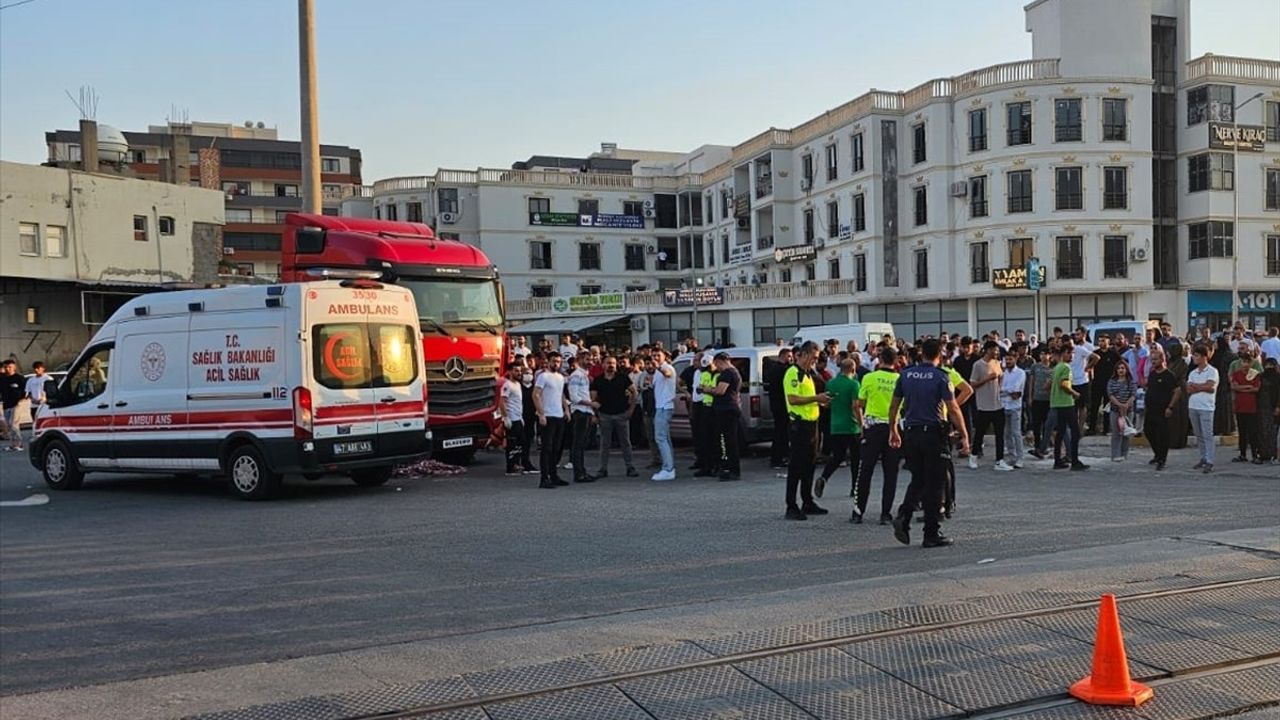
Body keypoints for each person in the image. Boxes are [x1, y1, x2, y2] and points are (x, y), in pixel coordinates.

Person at [890, 339, 969, 549]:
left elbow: (895, 405)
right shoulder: (941, 377)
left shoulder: (905, 375)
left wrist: (893, 430)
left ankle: (904, 516)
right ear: (939, 355)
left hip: (911, 433)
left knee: (918, 479)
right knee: (935, 483)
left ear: (921, 353)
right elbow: (953, 408)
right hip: (933, 434)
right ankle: (931, 533)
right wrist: (964, 434)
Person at [783, 341, 830, 520]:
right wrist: (815, 398)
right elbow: (793, 399)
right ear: (802, 354)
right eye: (813, 357)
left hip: (812, 424)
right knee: (796, 466)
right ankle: (791, 505)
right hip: (799, 425)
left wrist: (820, 402)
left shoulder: (809, 374)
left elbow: (807, 398)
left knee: (810, 464)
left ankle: (807, 501)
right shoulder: (793, 373)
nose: (815, 361)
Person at [854, 347, 900, 525]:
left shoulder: (869, 377)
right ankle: (885, 513)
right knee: (891, 472)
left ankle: (858, 511)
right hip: (893, 428)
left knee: (865, 469)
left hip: (872, 427)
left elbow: (859, 403)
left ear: (879, 360)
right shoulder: (899, 379)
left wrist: (862, 423)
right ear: (896, 361)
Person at [815, 358, 861, 509]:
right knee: (855, 458)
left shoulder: (831, 383)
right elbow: (856, 406)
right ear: (853, 370)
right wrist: (861, 424)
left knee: (837, 456)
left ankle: (824, 477)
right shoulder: (854, 384)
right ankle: (855, 488)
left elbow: (826, 404)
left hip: (835, 425)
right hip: (851, 426)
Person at [591, 355, 637, 479]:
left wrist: (631, 409)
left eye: (613, 363)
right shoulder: (598, 380)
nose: (611, 365)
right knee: (604, 444)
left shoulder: (623, 378)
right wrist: (594, 414)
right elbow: (593, 398)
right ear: (603, 365)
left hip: (621, 414)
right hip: (604, 415)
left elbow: (634, 392)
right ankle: (602, 469)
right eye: (608, 363)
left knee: (625, 443)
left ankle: (630, 467)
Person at [969, 341, 1010, 471]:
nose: (996, 352)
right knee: (980, 433)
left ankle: (999, 460)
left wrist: (1000, 385)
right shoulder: (978, 365)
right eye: (994, 350)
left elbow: (1001, 377)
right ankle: (973, 456)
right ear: (987, 350)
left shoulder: (997, 363)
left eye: (997, 350)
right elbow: (973, 384)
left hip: (998, 404)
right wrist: (987, 378)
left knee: (999, 434)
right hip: (983, 406)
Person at [533, 354, 570, 488]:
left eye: (559, 362)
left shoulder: (560, 377)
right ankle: (544, 478)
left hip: (559, 415)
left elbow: (561, 394)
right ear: (548, 362)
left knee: (557, 448)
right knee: (547, 448)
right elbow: (536, 394)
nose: (556, 364)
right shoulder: (543, 376)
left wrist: (566, 409)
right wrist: (541, 414)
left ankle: (553, 475)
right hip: (548, 416)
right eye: (554, 361)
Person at [706, 352, 743, 480]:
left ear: (719, 361)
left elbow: (720, 391)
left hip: (727, 409)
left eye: (716, 364)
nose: (716, 367)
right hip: (728, 408)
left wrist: (707, 389)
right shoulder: (735, 372)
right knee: (729, 440)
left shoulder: (728, 373)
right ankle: (729, 468)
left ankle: (732, 469)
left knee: (728, 440)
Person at [1144, 347, 1181, 471]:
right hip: (1150, 410)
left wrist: (1170, 407)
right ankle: (1157, 454)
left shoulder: (1168, 375)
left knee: (1162, 435)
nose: (1153, 362)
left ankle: (1162, 459)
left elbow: (1177, 391)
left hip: (1163, 410)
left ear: (1162, 360)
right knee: (1148, 431)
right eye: (1152, 360)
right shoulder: (1152, 374)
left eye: (1155, 359)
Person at [1050, 345, 1087, 471]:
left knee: (1060, 432)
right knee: (1075, 432)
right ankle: (1075, 461)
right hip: (1066, 403)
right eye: (1069, 353)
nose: (1071, 356)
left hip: (1057, 403)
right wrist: (1075, 393)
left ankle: (1057, 460)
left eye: (1072, 353)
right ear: (1063, 354)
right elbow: (1064, 385)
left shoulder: (1057, 367)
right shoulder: (1066, 367)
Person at [1187, 345, 1219, 474]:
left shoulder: (1212, 371)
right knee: (1198, 434)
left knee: (1207, 435)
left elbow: (1211, 387)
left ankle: (1210, 461)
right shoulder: (1193, 372)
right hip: (1193, 405)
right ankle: (1203, 457)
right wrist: (1202, 386)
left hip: (1206, 407)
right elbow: (1188, 389)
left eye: (1196, 355)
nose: (1194, 358)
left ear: (1204, 357)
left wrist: (1196, 386)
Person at [566, 351, 597, 483]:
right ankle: (578, 473)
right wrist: (591, 404)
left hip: (586, 411)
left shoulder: (584, 375)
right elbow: (574, 397)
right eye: (586, 359)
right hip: (580, 412)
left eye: (590, 359)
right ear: (579, 360)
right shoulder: (576, 375)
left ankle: (582, 471)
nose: (589, 361)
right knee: (578, 444)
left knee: (582, 443)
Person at [1229, 347, 1262, 464]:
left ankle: (1255, 454)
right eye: (1243, 361)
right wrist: (1247, 387)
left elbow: (1256, 388)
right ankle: (1242, 454)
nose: (1245, 364)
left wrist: (1242, 388)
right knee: (1242, 432)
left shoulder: (1255, 374)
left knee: (1253, 431)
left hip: (1251, 406)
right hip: (1240, 406)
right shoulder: (1237, 374)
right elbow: (1234, 387)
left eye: (1247, 362)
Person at [650, 349, 678, 481]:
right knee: (665, 438)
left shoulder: (667, 367)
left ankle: (668, 468)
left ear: (665, 357)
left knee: (660, 438)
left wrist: (659, 367)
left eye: (658, 355)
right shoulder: (656, 371)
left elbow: (667, 374)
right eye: (653, 355)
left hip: (664, 407)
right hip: (660, 406)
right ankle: (669, 466)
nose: (655, 358)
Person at [498, 362, 529, 476]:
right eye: (516, 371)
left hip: (518, 418)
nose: (519, 373)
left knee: (521, 442)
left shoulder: (518, 384)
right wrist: (505, 417)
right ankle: (510, 467)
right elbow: (502, 402)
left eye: (520, 371)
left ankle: (516, 463)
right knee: (512, 443)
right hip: (511, 419)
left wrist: (521, 417)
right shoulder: (507, 385)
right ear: (510, 371)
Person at [1088, 334, 1121, 435]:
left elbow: (1119, 365)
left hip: (1109, 384)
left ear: (1108, 341)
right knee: (1094, 406)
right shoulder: (1095, 353)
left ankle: (1106, 429)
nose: (1101, 343)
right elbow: (1090, 367)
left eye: (1103, 340)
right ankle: (1092, 428)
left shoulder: (1113, 354)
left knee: (1107, 407)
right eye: (1100, 341)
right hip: (1097, 383)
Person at [766, 347, 793, 469]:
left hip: (776, 405)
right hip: (781, 405)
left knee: (781, 432)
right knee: (781, 433)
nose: (791, 359)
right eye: (789, 356)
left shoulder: (773, 369)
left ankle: (780, 457)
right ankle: (778, 458)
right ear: (782, 356)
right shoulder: (781, 370)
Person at [1106, 361, 1137, 462]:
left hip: (1128, 410)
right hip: (1115, 410)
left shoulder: (1131, 381)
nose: (1121, 370)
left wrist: (1126, 405)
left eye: (1123, 368)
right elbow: (1110, 395)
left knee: (1126, 433)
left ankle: (1124, 454)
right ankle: (1115, 455)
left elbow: (1133, 394)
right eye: (1119, 368)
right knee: (1116, 433)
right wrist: (1119, 405)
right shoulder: (1112, 381)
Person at [1000, 352, 1026, 469]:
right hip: (1004, 405)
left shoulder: (1020, 373)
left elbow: (1016, 389)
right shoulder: (1003, 373)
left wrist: (1005, 392)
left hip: (1015, 406)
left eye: (1010, 359)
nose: (1008, 362)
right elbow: (1000, 389)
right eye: (1007, 360)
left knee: (1016, 433)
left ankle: (1020, 458)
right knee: (1007, 433)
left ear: (1015, 359)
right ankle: (1012, 456)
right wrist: (1008, 392)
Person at [1028, 351, 1055, 458]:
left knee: (1047, 424)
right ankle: (1037, 446)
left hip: (1048, 400)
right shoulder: (1035, 366)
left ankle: (1045, 446)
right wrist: (1030, 396)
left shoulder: (1053, 368)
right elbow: (1031, 382)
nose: (1044, 356)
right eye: (1042, 354)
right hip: (1037, 399)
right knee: (1036, 424)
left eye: (1046, 354)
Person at [1256, 358, 1280, 465]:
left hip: (1273, 407)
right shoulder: (1261, 376)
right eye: (1267, 365)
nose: (1269, 367)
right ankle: (1263, 454)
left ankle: (1273, 454)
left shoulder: (1278, 378)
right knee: (1262, 431)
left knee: (1272, 432)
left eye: (1271, 365)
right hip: (1261, 407)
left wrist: (1278, 407)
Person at [0, 360, 24, 452]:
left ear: (14, 367)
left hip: (17, 404)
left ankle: (19, 444)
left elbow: (26, 390)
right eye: (6, 367)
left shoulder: (19, 378)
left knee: (13, 424)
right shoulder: (3, 379)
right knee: (9, 426)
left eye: (9, 367)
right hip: (6, 404)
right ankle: (12, 444)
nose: (7, 369)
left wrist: (21, 400)